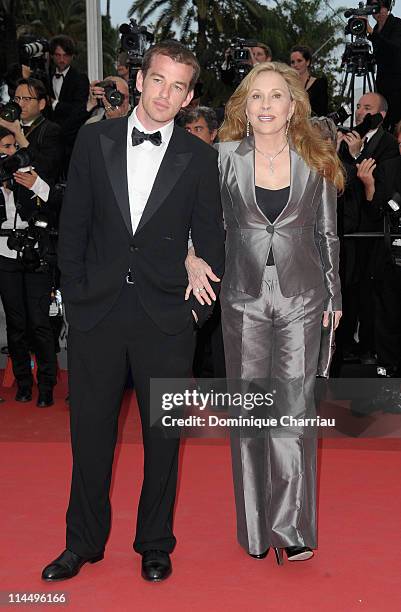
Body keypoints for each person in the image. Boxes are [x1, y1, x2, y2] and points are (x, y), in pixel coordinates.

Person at [41, 40, 224, 583]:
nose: (166, 93)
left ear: (189, 96)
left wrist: (193, 315)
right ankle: (82, 543)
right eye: (159, 80)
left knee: (162, 441)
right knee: (89, 436)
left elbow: (212, 242)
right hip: (97, 313)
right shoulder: (93, 139)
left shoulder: (199, 158)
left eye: (179, 86)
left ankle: (154, 543)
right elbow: (72, 225)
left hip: (165, 320)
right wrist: (75, 294)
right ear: (140, 79)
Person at [189, 61, 343, 562]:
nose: (266, 105)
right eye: (257, 97)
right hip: (242, 296)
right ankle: (256, 528)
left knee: (294, 413)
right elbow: (200, 219)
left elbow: (327, 234)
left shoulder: (315, 158)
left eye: (277, 96)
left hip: (303, 297)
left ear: (293, 104)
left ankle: (292, 528)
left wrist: (334, 294)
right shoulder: (222, 158)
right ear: (244, 107)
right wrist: (191, 254)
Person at [0, 125, 57, 407]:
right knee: (16, 324)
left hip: (35, 256)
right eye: (3, 149)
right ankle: (24, 383)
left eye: (12, 147)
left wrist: (34, 183)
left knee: (40, 323)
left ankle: (46, 385)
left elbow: (57, 204)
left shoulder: (31, 174)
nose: (9, 154)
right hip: (4, 259)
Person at [367, 0, 401, 131]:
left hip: (397, 88)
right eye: (374, 8)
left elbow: (394, 49)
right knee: (383, 125)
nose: (378, 12)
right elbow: (381, 57)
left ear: (387, 8)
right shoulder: (376, 30)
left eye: (381, 7)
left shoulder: (397, 24)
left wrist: (371, 33)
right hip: (382, 86)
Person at [290, 45, 328, 116]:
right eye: (292, 62)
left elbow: (322, 113)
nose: (295, 65)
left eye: (299, 61)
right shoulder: (288, 86)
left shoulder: (320, 84)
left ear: (307, 62)